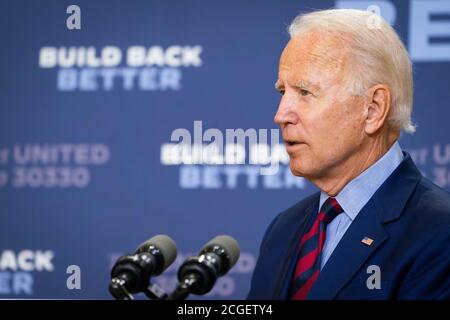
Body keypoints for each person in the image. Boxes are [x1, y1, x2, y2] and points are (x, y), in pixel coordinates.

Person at [247, 9, 450, 300]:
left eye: (304, 92)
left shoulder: (440, 233)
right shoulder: (284, 229)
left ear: (373, 109)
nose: (281, 115)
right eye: (283, 92)